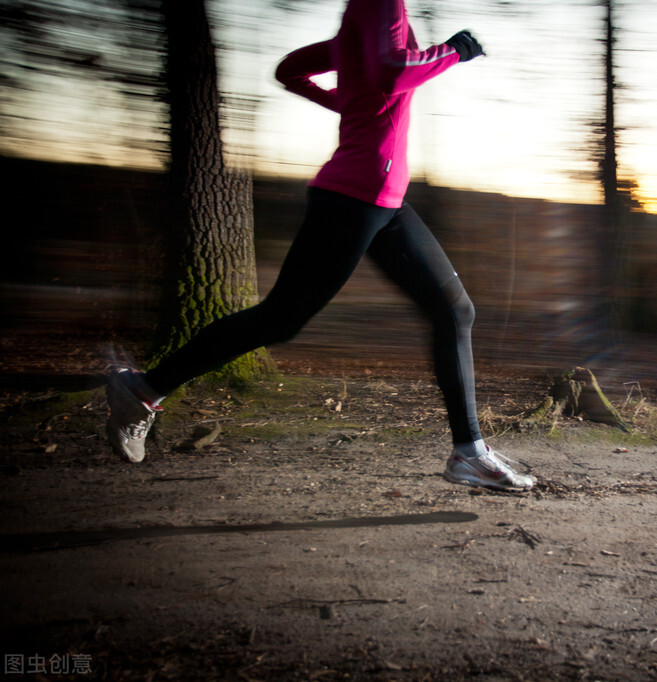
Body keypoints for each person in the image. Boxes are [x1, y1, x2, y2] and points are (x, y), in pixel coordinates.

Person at [104, 0, 535, 492]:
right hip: (352, 199)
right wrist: (454, 51)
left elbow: (292, 70)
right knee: (280, 319)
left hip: (386, 202)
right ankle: (141, 388)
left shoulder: (364, 22)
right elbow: (394, 71)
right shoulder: (381, 4)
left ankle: (469, 454)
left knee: (454, 310)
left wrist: (350, 102)